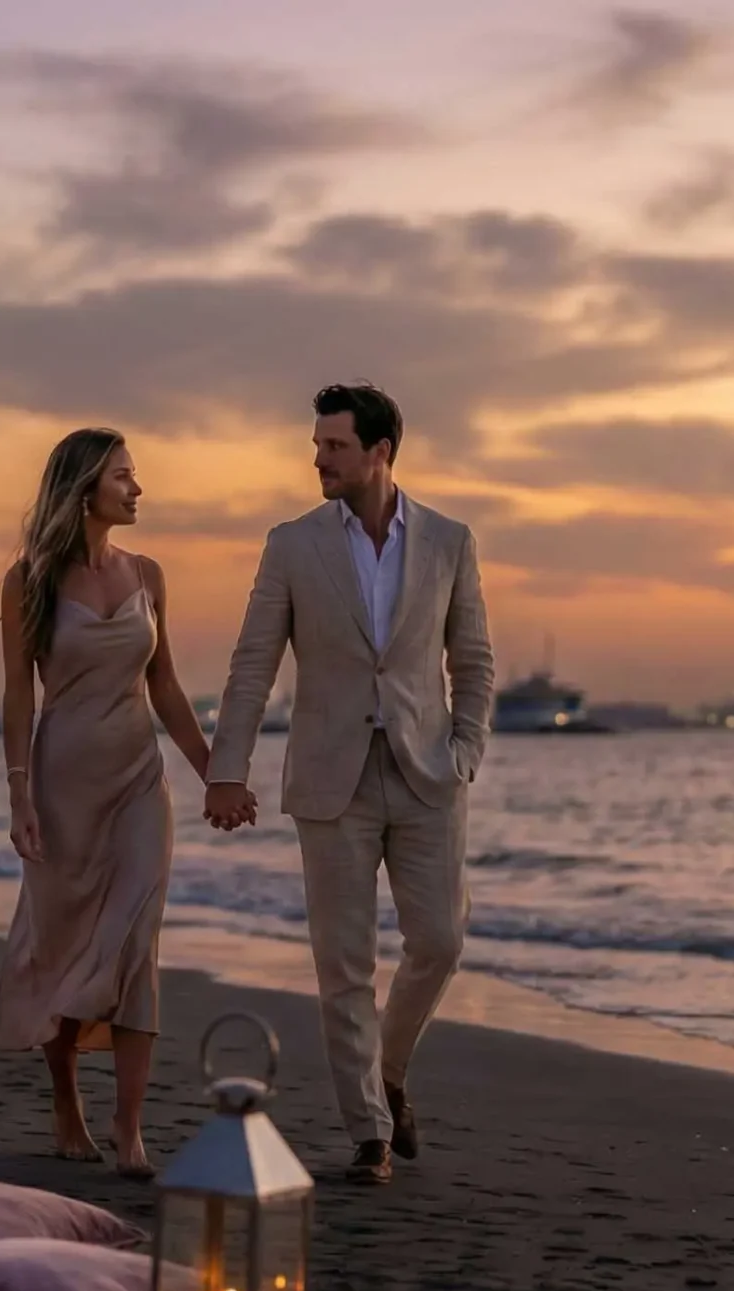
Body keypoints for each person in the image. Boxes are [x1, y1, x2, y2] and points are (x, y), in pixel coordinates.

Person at [204, 383, 494, 1186]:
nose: (319, 459)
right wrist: (229, 768)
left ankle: (389, 1070)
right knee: (344, 964)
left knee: (440, 941)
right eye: (316, 445)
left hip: (429, 772)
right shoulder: (292, 544)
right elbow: (253, 660)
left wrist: (466, 748)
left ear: (380, 452)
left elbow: (472, 660)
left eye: (334, 446)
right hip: (331, 778)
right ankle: (368, 1131)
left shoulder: (448, 539)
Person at [0, 427, 231, 1179]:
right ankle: (67, 1101)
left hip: (137, 779)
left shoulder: (149, 574)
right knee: (64, 945)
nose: (138, 489)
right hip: (63, 785)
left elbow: (165, 686)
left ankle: (130, 1130)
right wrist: (18, 796)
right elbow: (17, 695)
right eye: (125, 477)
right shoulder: (28, 578)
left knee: (135, 946)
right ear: (85, 487)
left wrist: (213, 772)